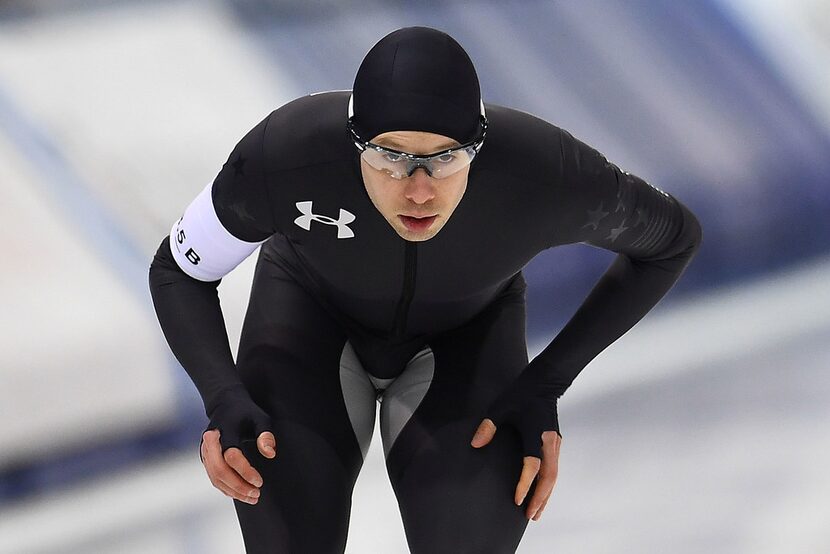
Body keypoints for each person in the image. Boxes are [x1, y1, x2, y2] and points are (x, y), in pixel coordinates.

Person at [149, 26, 701, 554]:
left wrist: (547, 382)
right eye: (390, 156)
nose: (418, 189)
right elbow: (178, 269)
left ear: (479, 147)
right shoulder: (286, 156)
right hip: (308, 327)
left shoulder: (544, 173)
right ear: (353, 142)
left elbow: (672, 241)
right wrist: (222, 397)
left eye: (446, 158)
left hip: (466, 342)